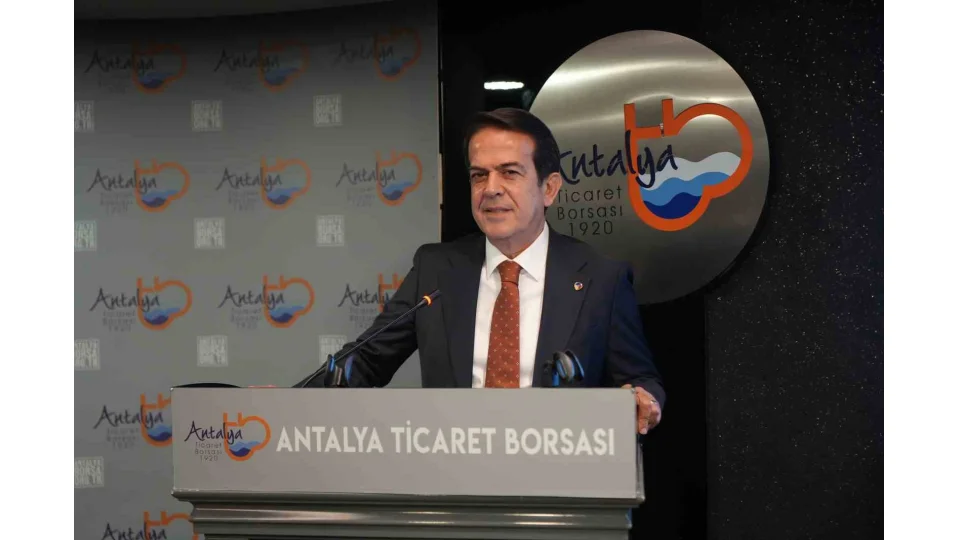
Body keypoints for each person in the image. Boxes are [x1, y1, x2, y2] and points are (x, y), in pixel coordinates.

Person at [297, 108, 665, 435]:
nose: (490, 189)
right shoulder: (436, 269)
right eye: (478, 176)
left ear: (549, 188)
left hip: (558, 473)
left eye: (509, 173)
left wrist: (640, 399)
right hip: (453, 471)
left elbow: (640, 379)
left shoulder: (601, 277)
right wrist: (286, 405)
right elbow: (366, 360)